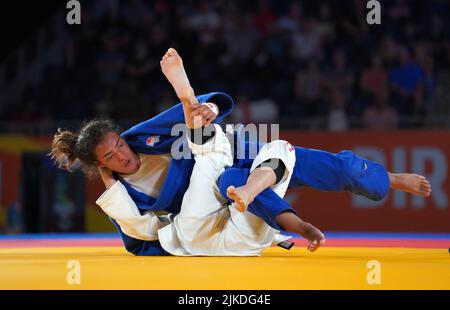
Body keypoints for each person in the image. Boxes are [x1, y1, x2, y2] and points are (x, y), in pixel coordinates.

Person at [51, 48, 431, 256]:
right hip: (214, 203)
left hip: (233, 151)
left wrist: (207, 108)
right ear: (101, 167)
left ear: (121, 136)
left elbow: (203, 108)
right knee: (234, 181)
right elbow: (139, 244)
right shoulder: (122, 195)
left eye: (118, 145)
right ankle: (281, 226)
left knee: (329, 168)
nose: (122, 156)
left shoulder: (140, 138)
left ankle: (390, 179)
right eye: (111, 158)